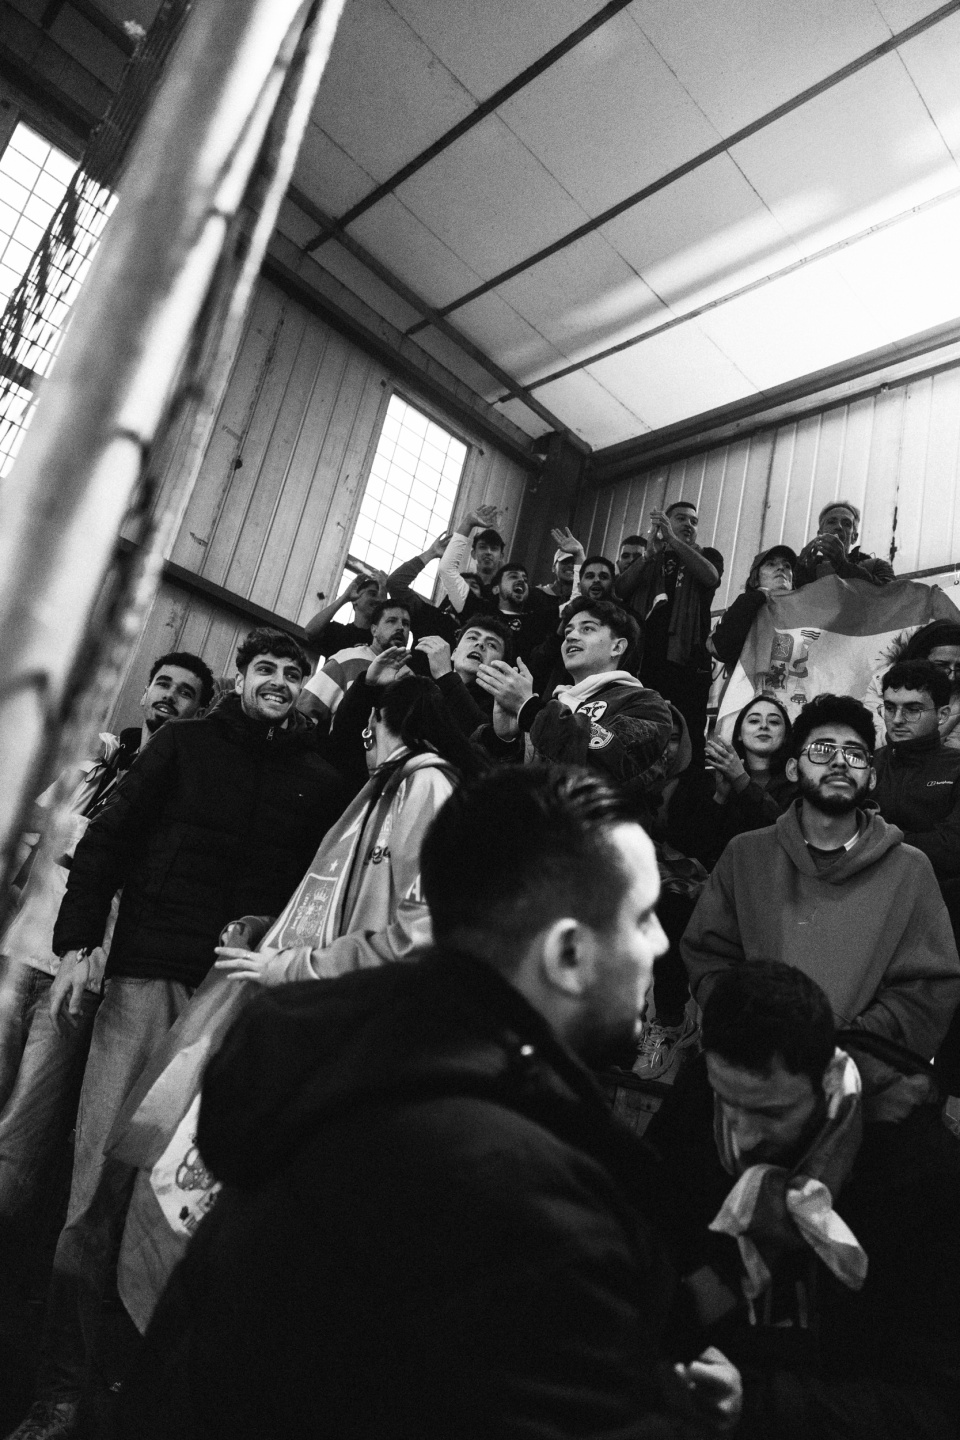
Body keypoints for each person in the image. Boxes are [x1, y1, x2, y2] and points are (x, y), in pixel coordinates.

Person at [120, 765, 741, 1440]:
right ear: (568, 953)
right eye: (643, 917)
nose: (660, 943)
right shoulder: (520, 1197)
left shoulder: (334, 1074)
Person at [4, 629, 349, 1440]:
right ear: (240, 676)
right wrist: (78, 946)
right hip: (145, 978)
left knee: (182, 1203)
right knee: (97, 1185)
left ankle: (131, 1397)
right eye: (265, 668)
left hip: (235, 998)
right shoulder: (184, 746)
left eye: (293, 672)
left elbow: (316, 893)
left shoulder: (322, 779)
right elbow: (106, 845)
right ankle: (59, 1393)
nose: (278, 681)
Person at [646, 961, 960, 1440]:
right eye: (727, 1102)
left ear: (829, 1080)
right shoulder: (695, 1106)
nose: (743, 1137)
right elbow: (654, 1260)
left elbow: (936, 1405)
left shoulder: (918, 1173)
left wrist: (756, 1403)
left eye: (772, 1113)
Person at [0, 653, 213, 1305]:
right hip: (21, 951)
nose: (169, 697)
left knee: (21, 1132)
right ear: (145, 692)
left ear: (199, 710)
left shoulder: (180, 789)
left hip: (84, 975)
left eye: (186, 693)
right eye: (163, 684)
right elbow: (28, 841)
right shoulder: (95, 765)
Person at [681, 693, 960, 1066]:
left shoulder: (909, 869)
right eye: (823, 750)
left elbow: (928, 987)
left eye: (855, 754)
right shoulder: (746, 854)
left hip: (859, 1074)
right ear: (793, 769)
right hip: (753, 1064)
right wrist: (753, 1029)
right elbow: (709, 955)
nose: (840, 761)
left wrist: (847, 1048)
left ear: (872, 777)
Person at [215, 673, 481, 986]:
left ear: (372, 721)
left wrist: (298, 967)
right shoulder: (390, 788)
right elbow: (349, 913)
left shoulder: (426, 785)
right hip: (353, 992)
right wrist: (261, 929)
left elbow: (422, 931)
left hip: (374, 996)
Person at [476, 597, 674, 806]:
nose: (571, 636)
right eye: (568, 631)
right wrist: (506, 742)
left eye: (587, 629)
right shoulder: (552, 705)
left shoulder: (647, 704)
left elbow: (608, 769)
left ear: (617, 647)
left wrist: (529, 709)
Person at [615, 501, 723, 762]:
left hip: (688, 664)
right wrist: (648, 556)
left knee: (690, 736)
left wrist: (673, 541)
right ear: (667, 522)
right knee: (641, 735)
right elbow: (620, 589)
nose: (689, 524)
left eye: (694, 521)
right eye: (681, 519)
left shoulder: (707, 555)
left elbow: (711, 577)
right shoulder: (651, 558)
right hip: (646, 663)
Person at [873, 660, 960, 882]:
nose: (897, 720)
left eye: (913, 710)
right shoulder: (867, 764)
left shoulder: (956, 768)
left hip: (939, 893)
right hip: (866, 889)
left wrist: (876, 840)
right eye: (890, 708)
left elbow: (952, 849)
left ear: (942, 714)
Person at [298, 600, 411, 728]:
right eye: (392, 621)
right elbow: (304, 711)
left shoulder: (409, 676)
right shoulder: (346, 659)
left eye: (406, 623)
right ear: (374, 630)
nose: (401, 627)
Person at [709, 546, 797, 671]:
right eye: (771, 564)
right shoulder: (743, 606)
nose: (781, 568)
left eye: (787, 566)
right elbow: (721, 648)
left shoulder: (802, 612)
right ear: (755, 579)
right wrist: (757, 597)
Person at [793, 501, 895, 589]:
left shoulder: (875, 566)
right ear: (820, 533)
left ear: (854, 537)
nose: (839, 527)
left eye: (846, 524)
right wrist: (800, 571)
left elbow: (892, 594)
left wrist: (843, 565)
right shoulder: (793, 565)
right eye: (831, 522)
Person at [898, 619, 960, 751]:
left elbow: (954, 753)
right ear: (919, 659)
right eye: (941, 665)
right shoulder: (881, 684)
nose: (952, 677)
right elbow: (872, 742)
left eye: (959, 667)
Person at [437, 503, 505, 608]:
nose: (488, 552)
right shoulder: (463, 585)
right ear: (473, 554)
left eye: (494, 548)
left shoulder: (504, 594)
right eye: (483, 547)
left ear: (501, 556)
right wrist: (468, 523)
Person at [304, 571, 384, 654]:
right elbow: (311, 631)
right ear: (355, 599)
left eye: (381, 597)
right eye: (373, 594)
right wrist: (345, 597)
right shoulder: (338, 633)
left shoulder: (380, 638)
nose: (378, 600)